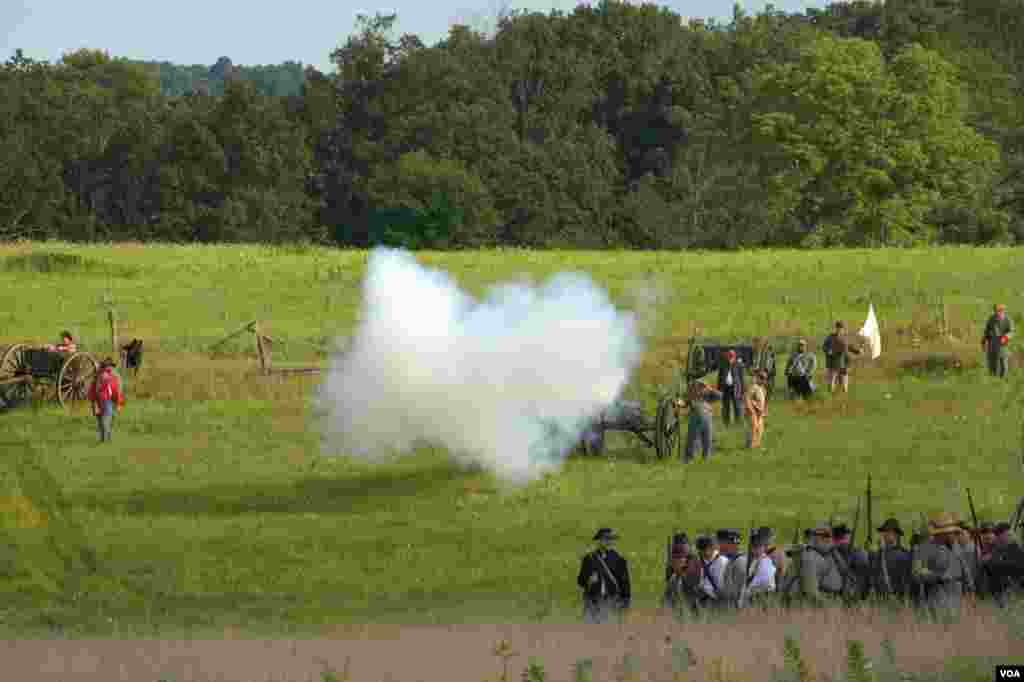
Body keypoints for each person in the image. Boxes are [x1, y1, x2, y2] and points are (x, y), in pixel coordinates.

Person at [912, 512, 973, 618]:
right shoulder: (923, 549)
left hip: (957, 599)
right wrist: (938, 577)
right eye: (950, 532)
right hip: (935, 598)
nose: (953, 535)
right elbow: (916, 573)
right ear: (941, 534)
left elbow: (965, 571)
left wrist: (970, 589)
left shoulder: (957, 548)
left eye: (953, 532)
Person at [782, 524, 845, 607]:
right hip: (808, 606)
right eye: (827, 537)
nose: (830, 541)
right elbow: (811, 592)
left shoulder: (819, 555)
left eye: (830, 537)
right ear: (816, 538)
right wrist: (827, 606)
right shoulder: (810, 558)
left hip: (804, 602)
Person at [577, 528, 631, 624]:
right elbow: (580, 581)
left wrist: (625, 603)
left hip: (611, 601)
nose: (609, 542)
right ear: (599, 541)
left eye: (611, 539)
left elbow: (625, 583)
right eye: (606, 539)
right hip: (592, 601)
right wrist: (589, 580)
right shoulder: (589, 559)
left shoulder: (619, 559)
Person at [868, 518, 913, 603]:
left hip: (897, 599)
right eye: (883, 531)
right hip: (879, 599)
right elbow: (873, 576)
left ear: (896, 534)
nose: (884, 534)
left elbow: (906, 582)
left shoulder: (904, 555)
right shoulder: (877, 554)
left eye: (888, 532)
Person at [678, 381, 723, 462]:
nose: (698, 388)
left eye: (700, 386)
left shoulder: (708, 393)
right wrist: (679, 403)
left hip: (707, 416)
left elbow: (720, 396)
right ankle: (688, 458)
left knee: (707, 439)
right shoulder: (690, 391)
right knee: (692, 438)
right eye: (697, 385)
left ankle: (705, 458)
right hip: (696, 416)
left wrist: (710, 389)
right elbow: (684, 402)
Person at [86, 359, 125, 443]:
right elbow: (93, 391)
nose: (108, 369)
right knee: (101, 421)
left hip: (108, 401)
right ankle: (103, 438)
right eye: (106, 367)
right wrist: (94, 404)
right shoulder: (98, 378)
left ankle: (106, 438)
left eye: (109, 367)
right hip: (100, 401)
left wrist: (118, 404)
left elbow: (116, 391)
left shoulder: (113, 377)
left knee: (106, 420)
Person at [737, 529, 778, 608]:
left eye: (757, 547)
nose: (754, 550)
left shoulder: (766, 562)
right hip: (753, 598)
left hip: (762, 598)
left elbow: (763, 582)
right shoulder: (755, 561)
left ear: (763, 547)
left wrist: (748, 590)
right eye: (753, 547)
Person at [832, 524, 870, 602]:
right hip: (863, 595)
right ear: (847, 537)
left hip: (844, 596)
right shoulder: (861, 551)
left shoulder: (834, 552)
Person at [822, 321, 862, 393]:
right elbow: (824, 347)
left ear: (843, 329)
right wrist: (828, 351)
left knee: (844, 383)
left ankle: (843, 397)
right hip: (833, 362)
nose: (839, 330)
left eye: (841, 328)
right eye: (838, 328)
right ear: (836, 328)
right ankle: (831, 396)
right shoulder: (830, 337)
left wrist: (857, 351)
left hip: (844, 362)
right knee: (832, 381)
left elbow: (849, 347)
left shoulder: (844, 338)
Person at [694, 535, 730, 611]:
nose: (702, 552)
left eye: (705, 549)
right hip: (703, 597)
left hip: (717, 600)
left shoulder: (722, 562)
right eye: (700, 550)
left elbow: (721, 587)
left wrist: (705, 590)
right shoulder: (701, 560)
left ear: (713, 548)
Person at [981, 304, 1013, 378]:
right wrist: (983, 341)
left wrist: (1005, 337)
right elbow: (987, 331)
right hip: (992, 344)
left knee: (1003, 364)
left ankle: (1003, 379)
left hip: (1002, 345)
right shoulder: (991, 319)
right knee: (992, 363)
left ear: (1003, 311)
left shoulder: (1007, 320)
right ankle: (993, 380)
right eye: (996, 311)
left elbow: (1011, 332)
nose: (998, 313)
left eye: (1000, 311)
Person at [717, 350, 745, 427]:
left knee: (737, 406)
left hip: (735, 388)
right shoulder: (723, 365)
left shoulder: (739, 365)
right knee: (726, 406)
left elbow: (742, 379)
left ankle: (738, 423)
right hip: (725, 388)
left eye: (732, 356)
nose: (730, 358)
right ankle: (726, 423)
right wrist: (719, 390)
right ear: (727, 357)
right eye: (729, 356)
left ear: (734, 357)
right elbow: (719, 378)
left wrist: (742, 391)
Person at [745, 369, 768, 449]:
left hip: (760, 413)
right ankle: (750, 446)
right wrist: (751, 410)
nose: (763, 380)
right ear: (757, 377)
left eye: (765, 378)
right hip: (753, 412)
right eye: (761, 377)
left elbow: (763, 400)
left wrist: (764, 410)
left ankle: (757, 445)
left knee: (760, 429)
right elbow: (747, 398)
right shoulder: (753, 387)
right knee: (753, 429)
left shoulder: (763, 388)